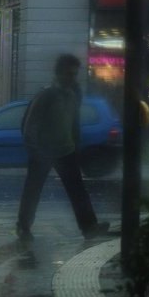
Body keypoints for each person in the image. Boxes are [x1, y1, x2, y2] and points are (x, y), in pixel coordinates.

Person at [16, 53, 110, 243]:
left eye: (74, 74)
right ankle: (23, 226)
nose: (71, 78)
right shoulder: (47, 95)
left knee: (77, 190)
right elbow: (29, 124)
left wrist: (75, 145)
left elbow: (74, 123)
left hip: (65, 149)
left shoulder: (73, 94)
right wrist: (35, 150)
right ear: (58, 74)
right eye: (68, 74)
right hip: (43, 151)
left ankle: (89, 226)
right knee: (33, 190)